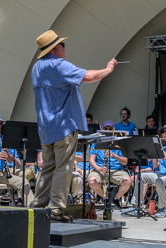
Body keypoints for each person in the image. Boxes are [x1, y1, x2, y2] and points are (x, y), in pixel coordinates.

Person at [29, 30, 117, 222]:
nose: (64, 48)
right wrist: (108, 69)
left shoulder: (36, 68)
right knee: (63, 168)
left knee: (47, 169)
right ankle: (55, 210)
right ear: (56, 48)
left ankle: (37, 206)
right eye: (62, 44)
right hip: (62, 126)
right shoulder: (59, 65)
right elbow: (89, 76)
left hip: (45, 127)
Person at [129, 124, 166, 217]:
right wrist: (154, 153)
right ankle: (136, 205)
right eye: (162, 132)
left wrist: (157, 147)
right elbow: (155, 166)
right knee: (141, 176)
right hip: (161, 174)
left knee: (159, 181)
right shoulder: (163, 146)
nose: (164, 133)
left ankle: (163, 207)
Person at [88, 121, 132, 207]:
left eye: (110, 129)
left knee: (127, 181)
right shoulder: (97, 142)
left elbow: (125, 162)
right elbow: (91, 160)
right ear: (102, 129)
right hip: (100, 169)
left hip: (116, 169)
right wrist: (98, 168)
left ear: (113, 130)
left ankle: (116, 198)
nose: (108, 130)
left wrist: (114, 156)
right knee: (92, 181)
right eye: (106, 129)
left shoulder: (119, 143)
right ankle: (105, 198)